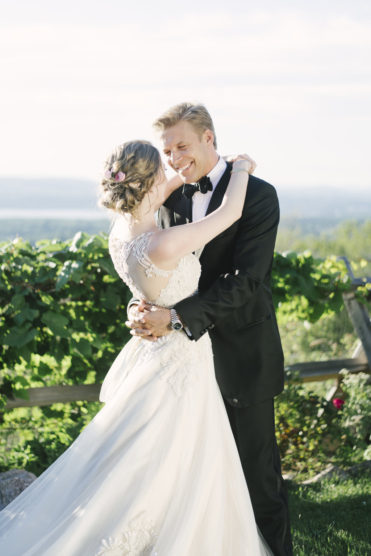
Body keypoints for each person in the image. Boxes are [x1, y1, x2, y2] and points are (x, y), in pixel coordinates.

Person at [0, 140, 272, 555]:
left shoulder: (122, 230)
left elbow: (164, 192)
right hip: (181, 358)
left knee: (147, 460)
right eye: (163, 169)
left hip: (155, 353)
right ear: (152, 181)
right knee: (180, 458)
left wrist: (185, 168)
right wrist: (240, 168)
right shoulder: (162, 244)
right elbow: (229, 213)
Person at [127, 103, 293, 556]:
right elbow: (157, 264)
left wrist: (176, 318)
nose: (175, 157)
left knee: (258, 481)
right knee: (194, 479)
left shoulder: (258, 196)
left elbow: (247, 279)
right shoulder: (170, 198)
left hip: (243, 356)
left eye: (182, 145)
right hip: (184, 367)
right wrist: (142, 307)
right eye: (167, 150)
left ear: (209, 139)